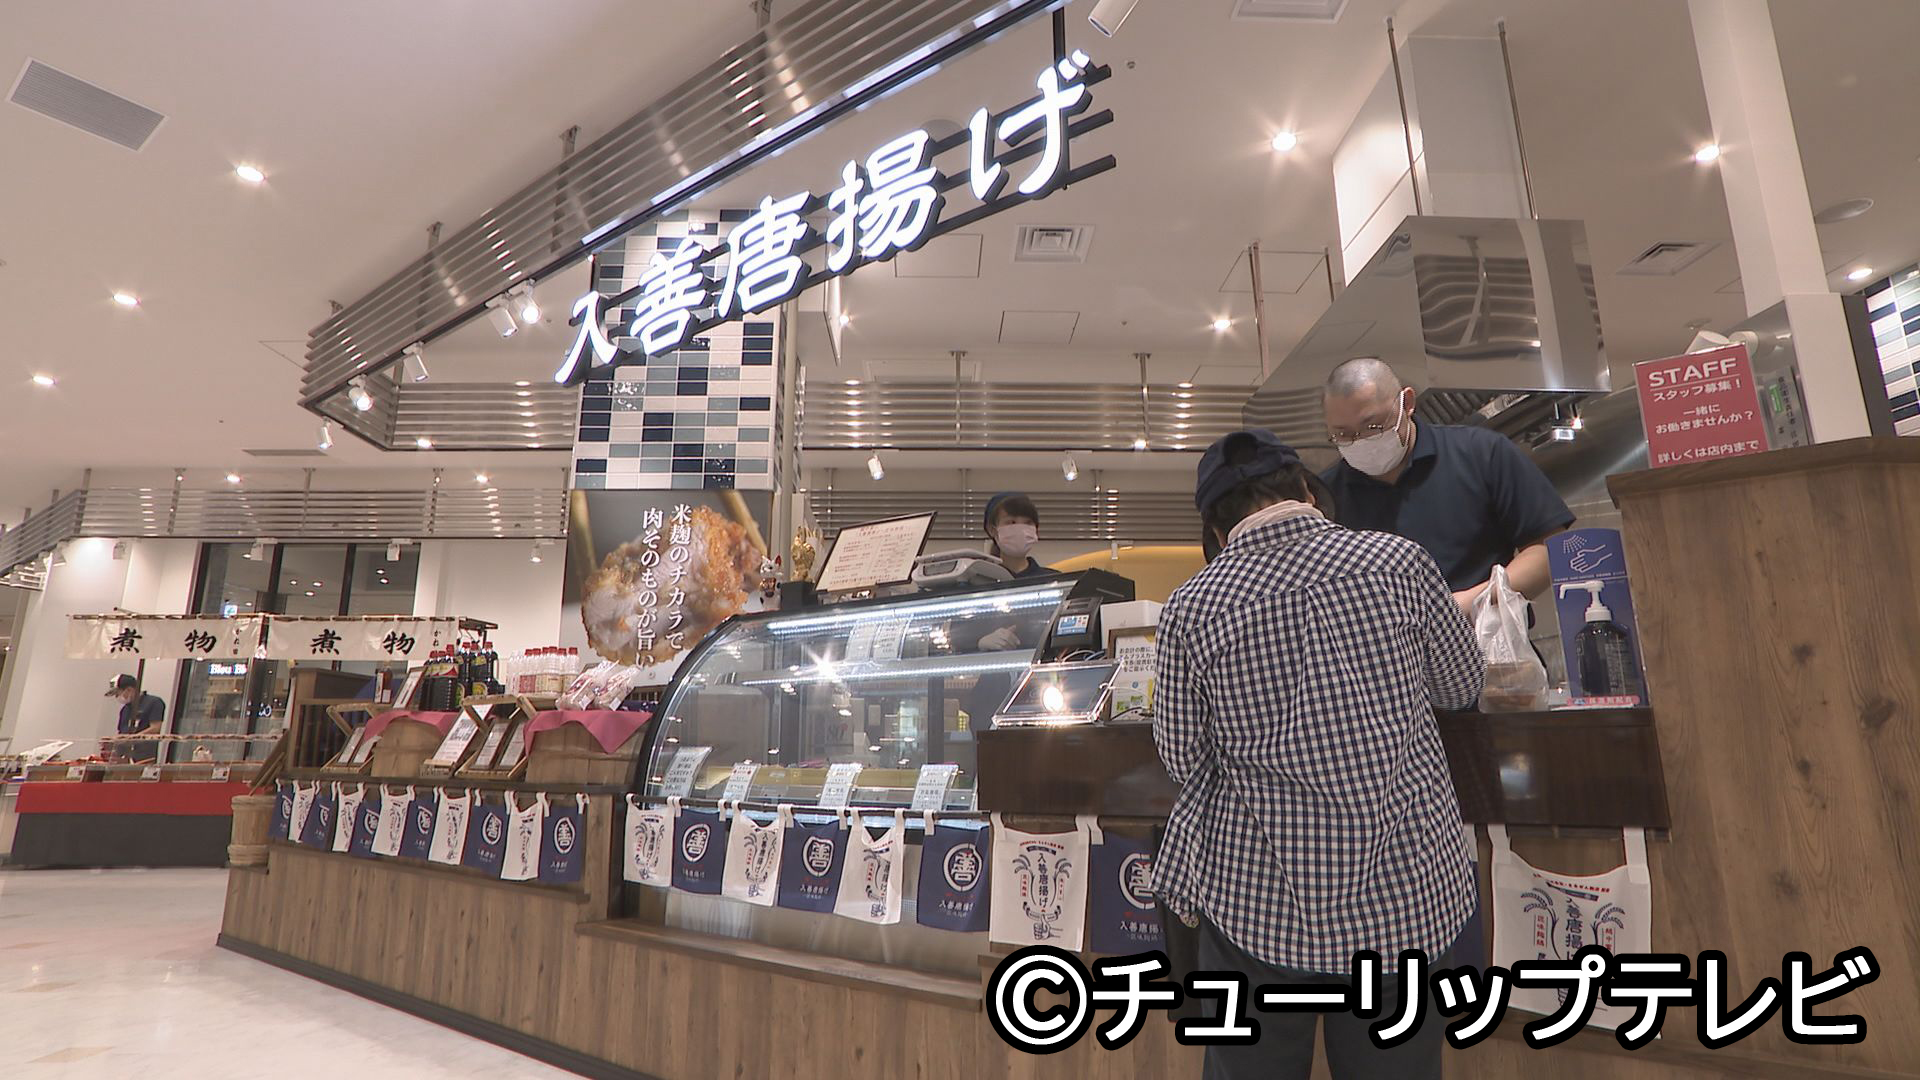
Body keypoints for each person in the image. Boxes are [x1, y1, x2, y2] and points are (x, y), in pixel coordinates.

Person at [1153, 429, 1485, 1080]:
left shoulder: (1191, 607)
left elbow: (1182, 756)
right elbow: (1460, 685)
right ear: (1308, 491)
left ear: (1215, 529)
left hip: (1257, 901)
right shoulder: (1401, 563)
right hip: (1404, 896)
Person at [1320, 357, 1574, 614]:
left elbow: (1549, 549)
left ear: (1407, 403)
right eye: (1343, 435)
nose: (1360, 441)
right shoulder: (1325, 498)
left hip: (1487, 634)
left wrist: (1475, 602)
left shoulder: (1481, 453)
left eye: (1372, 426)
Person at [981, 492, 1052, 579]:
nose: (1021, 529)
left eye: (1028, 522)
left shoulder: (1053, 580)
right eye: (1012, 522)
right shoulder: (980, 580)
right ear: (992, 530)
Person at [106, 674, 165, 764]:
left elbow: (155, 728)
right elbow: (122, 732)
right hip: (124, 759)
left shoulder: (154, 702)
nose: (117, 697)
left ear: (129, 690)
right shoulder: (125, 710)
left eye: (118, 693)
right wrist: (113, 741)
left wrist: (131, 739)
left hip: (144, 758)